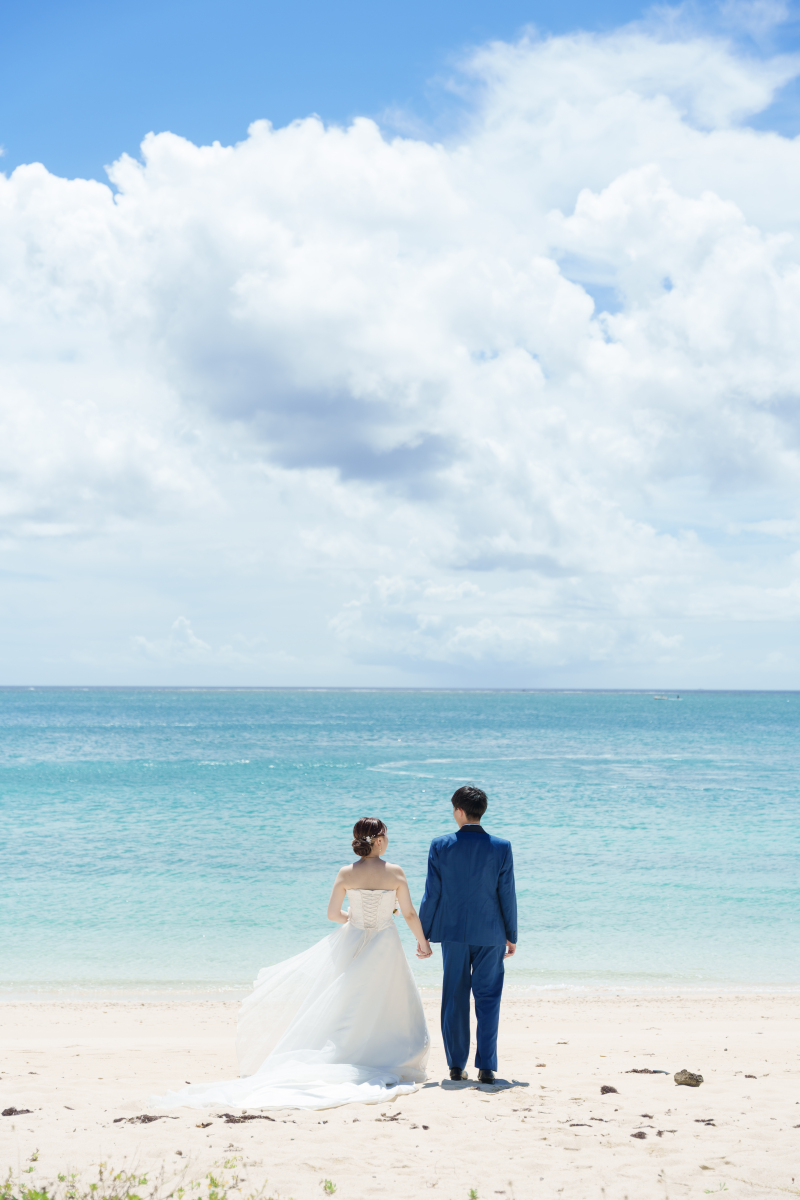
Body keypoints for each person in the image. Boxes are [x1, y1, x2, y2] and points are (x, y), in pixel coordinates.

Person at [151, 818, 431, 1112]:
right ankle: (382, 1053)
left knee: (350, 1001)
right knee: (386, 1000)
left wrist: (354, 918)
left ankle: (351, 1053)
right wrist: (422, 942)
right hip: (385, 943)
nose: (388, 840)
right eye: (386, 836)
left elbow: (332, 914)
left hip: (353, 941)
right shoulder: (395, 872)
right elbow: (409, 914)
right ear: (379, 840)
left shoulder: (346, 873)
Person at [419, 785, 517, 1085]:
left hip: (453, 934)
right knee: (488, 998)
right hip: (491, 933)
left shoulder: (440, 845)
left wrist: (423, 934)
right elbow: (507, 894)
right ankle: (486, 1067)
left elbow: (432, 894)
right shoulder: (501, 847)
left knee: (454, 997)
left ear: (459, 811)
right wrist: (511, 934)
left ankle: (455, 1066)